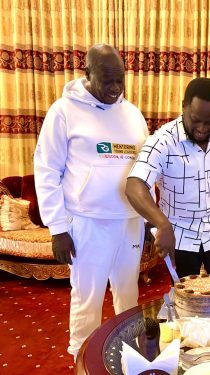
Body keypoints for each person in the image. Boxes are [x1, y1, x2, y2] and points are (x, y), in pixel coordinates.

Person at [34, 44, 149, 359]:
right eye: (107, 80)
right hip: (87, 223)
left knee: (128, 294)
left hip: (129, 222)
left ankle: (129, 355)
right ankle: (82, 359)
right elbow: (46, 171)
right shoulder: (64, 111)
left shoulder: (133, 114)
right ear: (88, 75)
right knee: (88, 297)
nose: (114, 88)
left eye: (119, 80)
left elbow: (145, 170)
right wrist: (57, 228)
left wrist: (148, 222)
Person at [125, 77, 210, 284]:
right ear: (184, 107)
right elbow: (134, 185)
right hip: (179, 236)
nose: (202, 128)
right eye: (196, 119)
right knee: (185, 304)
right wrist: (162, 224)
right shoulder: (163, 140)